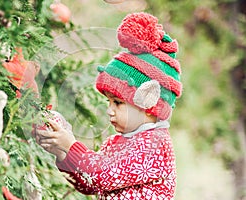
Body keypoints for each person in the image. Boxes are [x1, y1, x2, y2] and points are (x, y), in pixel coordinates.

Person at [35, 12, 182, 199]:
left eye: (118, 103)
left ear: (148, 101)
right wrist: (62, 152)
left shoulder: (154, 145)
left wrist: (71, 145)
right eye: (109, 101)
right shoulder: (118, 142)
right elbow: (91, 184)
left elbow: (103, 175)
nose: (109, 110)